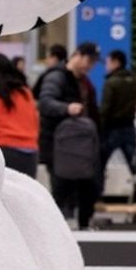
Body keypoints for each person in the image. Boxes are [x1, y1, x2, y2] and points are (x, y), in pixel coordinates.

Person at [38, 42, 100, 229]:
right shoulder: (57, 77)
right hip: (58, 148)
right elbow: (46, 102)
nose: (90, 66)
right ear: (77, 55)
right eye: (89, 60)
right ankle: (53, 230)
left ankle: (81, 226)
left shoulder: (83, 81)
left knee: (86, 187)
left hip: (79, 148)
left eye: (94, 62)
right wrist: (67, 108)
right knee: (61, 190)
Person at [99, 50, 136, 177]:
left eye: (108, 62)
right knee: (135, 164)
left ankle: (96, 193)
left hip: (111, 129)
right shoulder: (134, 80)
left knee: (100, 163)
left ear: (116, 62)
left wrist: (99, 127)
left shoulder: (111, 82)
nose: (106, 66)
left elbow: (105, 108)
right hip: (129, 127)